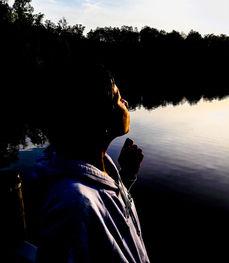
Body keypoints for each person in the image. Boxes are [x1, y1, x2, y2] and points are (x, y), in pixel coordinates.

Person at [32, 58, 150, 263]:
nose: (126, 103)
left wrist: (126, 176)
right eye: (118, 98)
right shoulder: (72, 206)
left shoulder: (97, 166)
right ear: (100, 117)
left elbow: (106, 210)